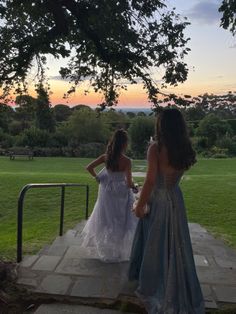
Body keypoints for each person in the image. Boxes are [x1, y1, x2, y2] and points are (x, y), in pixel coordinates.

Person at [129, 109, 205, 314]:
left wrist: (139, 205)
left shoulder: (156, 148)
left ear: (161, 124)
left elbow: (151, 180)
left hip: (159, 200)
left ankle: (156, 284)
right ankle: (176, 280)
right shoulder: (184, 147)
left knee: (155, 242)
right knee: (175, 243)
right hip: (175, 198)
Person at [81, 129, 138, 262]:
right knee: (121, 219)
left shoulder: (105, 157)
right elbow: (129, 183)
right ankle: (118, 250)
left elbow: (89, 167)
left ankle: (107, 249)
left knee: (106, 217)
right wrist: (135, 187)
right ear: (124, 144)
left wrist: (97, 178)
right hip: (122, 192)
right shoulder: (127, 161)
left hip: (106, 191)